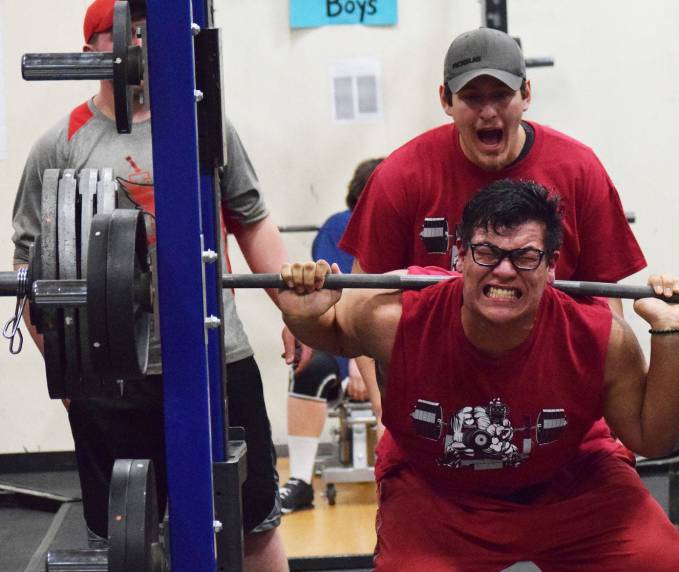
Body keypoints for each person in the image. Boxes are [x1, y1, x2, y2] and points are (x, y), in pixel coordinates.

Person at [278, 180, 679, 570]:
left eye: (526, 256)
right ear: (460, 256)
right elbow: (332, 330)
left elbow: (651, 438)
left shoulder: (599, 338)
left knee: (656, 560)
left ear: (551, 266)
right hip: (439, 494)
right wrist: (302, 316)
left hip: (570, 484)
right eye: (488, 252)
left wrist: (670, 334)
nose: (505, 271)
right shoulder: (399, 317)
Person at [10, 1, 291, 568]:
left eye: (146, 32)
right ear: (90, 49)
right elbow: (32, 269)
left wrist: (294, 308)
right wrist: (62, 363)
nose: (136, 47)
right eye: (121, 35)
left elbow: (252, 220)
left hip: (216, 357)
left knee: (251, 521)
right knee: (121, 541)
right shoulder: (60, 144)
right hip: (111, 375)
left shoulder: (204, 123)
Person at [333, 26, 646, 424]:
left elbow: (604, 304)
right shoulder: (401, 177)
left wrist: (603, 417)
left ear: (526, 95)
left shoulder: (578, 170)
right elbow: (361, 303)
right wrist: (386, 411)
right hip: (441, 392)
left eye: (501, 95)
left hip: (552, 391)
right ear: (445, 100)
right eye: (472, 97)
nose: (488, 112)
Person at [279, 157, 383, 513]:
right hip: (346, 341)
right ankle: (301, 481)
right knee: (308, 368)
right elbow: (335, 298)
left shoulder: (406, 227)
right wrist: (355, 359)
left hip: (393, 341)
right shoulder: (337, 229)